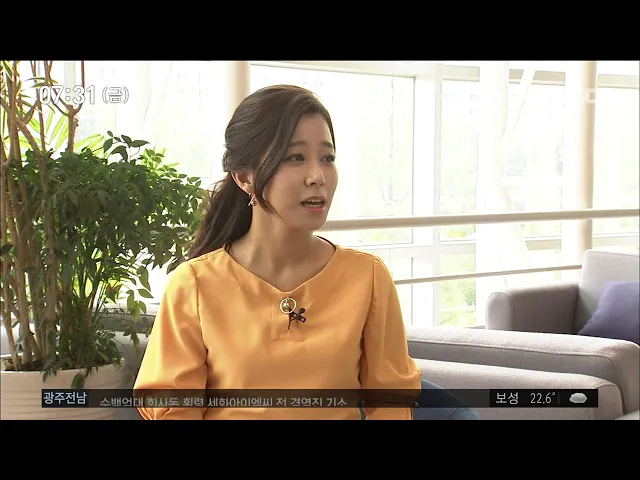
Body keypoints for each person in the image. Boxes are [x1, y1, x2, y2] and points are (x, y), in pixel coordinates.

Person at [133, 84, 423, 420]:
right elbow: (173, 408)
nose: (317, 177)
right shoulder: (194, 284)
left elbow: (391, 402)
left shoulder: (367, 277)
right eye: (295, 157)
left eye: (327, 158)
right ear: (244, 177)